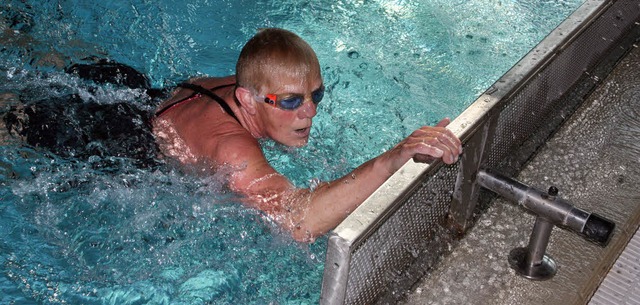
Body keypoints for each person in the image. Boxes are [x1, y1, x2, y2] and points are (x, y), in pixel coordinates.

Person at [152, 28, 462, 242]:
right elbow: (296, 221)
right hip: (129, 143)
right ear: (248, 100)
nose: (310, 111)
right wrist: (392, 159)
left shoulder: (255, 83)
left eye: (316, 94)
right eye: (291, 101)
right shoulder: (231, 148)